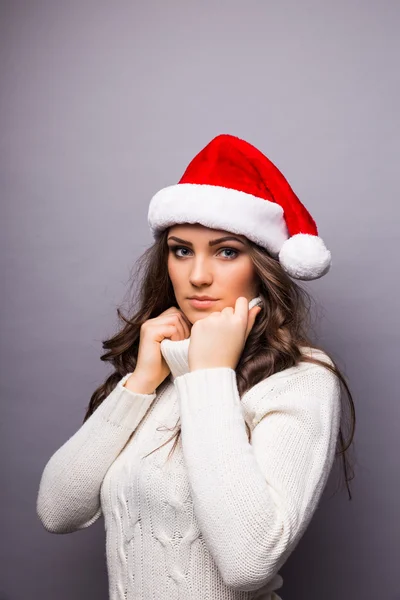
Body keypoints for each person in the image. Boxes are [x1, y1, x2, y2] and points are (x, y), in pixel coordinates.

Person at [36, 134, 355, 600]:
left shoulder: (300, 378)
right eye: (181, 249)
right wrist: (141, 383)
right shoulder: (159, 367)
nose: (198, 275)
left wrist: (208, 376)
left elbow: (249, 562)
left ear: (262, 265)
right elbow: (57, 511)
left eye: (227, 251)